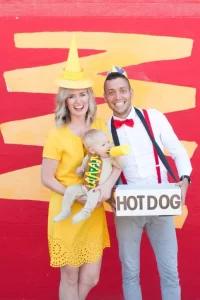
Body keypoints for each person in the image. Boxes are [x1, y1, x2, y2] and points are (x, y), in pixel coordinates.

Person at [41, 37, 121, 300]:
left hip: (92, 213)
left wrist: (106, 188)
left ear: (89, 96)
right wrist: (75, 194)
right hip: (68, 211)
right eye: (71, 96)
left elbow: (116, 162)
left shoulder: (100, 126)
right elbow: (46, 178)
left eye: (82, 94)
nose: (78, 101)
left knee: (91, 277)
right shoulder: (57, 136)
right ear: (64, 101)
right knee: (70, 276)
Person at [104, 65, 192, 300]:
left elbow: (179, 152)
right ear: (105, 98)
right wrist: (108, 191)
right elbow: (101, 172)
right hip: (126, 208)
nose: (118, 97)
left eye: (122, 90)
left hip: (161, 204)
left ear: (131, 92)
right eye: (111, 92)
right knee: (130, 273)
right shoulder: (103, 131)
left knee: (170, 272)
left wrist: (185, 180)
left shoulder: (154, 117)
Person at [53, 129, 124, 224]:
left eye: (108, 142)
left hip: (98, 189)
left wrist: (118, 156)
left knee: (93, 196)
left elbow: (121, 166)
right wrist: (79, 171)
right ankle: (65, 210)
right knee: (70, 190)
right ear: (92, 149)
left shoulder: (110, 158)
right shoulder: (88, 158)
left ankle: (86, 212)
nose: (108, 146)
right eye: (103, 145)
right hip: (85, 187)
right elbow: (82, 172)